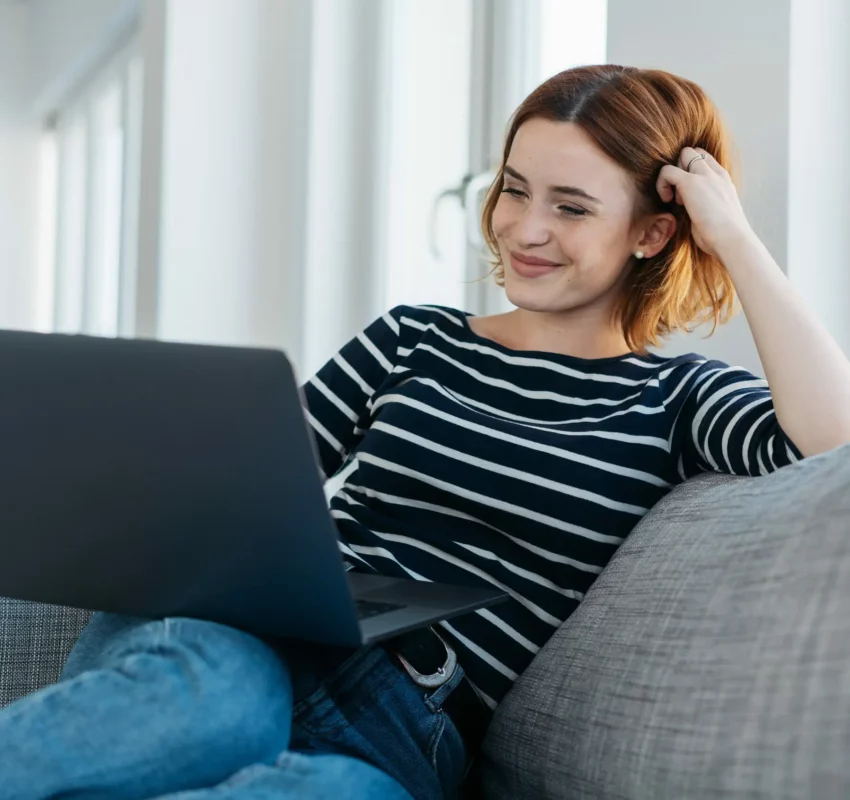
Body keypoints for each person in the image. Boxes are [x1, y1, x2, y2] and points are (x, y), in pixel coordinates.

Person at [4, 64, 850, 800]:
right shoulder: (416, 337)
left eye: (571, 206)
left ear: (653, 231)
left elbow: (831, 437)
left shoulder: (675, 400)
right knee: (217, 705)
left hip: (407, 718)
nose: (524, 228)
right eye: (515, 188)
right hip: (238, 641)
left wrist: (733, 235)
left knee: (340, 792)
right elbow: (244, 491)